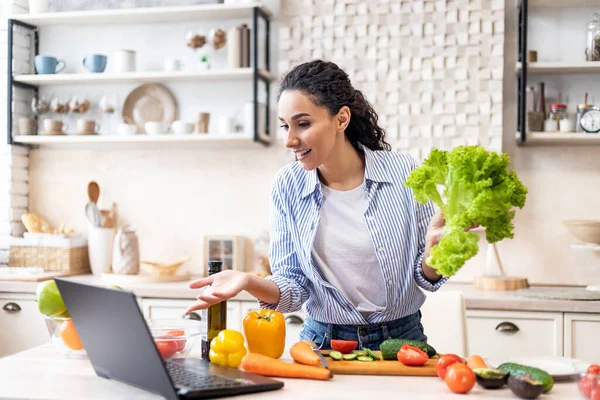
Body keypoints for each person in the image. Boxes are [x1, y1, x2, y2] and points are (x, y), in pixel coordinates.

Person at [186, 60, 452, 350]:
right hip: (322, 341)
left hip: (403, 340)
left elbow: (424, 277)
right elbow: (293, 285)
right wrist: (247, 280)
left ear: (341, 119)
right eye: (285, 126)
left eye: (303, 124)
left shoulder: (403, 173)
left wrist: (434, 254)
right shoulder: (288, 185)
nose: (289, 140)